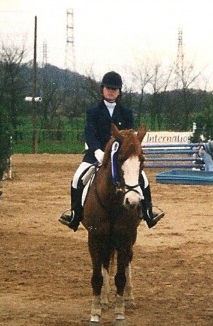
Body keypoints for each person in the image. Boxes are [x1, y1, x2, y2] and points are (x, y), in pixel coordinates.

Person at [59, 71, 164, 231]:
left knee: (143, 179)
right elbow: (90, 134)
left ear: (119, 92)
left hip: (121, 157)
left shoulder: (126, 113)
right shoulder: (93, 112)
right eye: (108, 88)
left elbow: (129, 136)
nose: (111, 91)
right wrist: (96, 151)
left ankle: (148, 212)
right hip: (96, 154)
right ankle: (75, 214)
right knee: (77, 179)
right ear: (102, 89)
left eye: (114, 89)